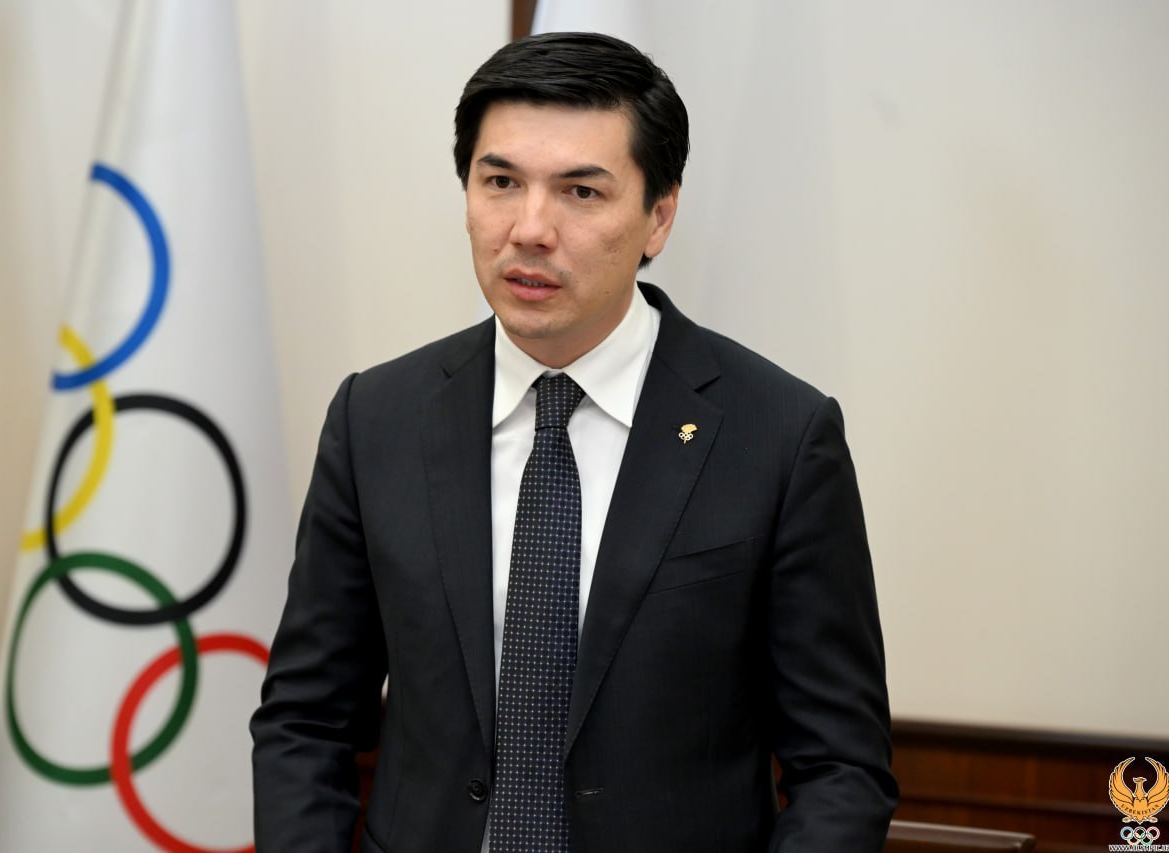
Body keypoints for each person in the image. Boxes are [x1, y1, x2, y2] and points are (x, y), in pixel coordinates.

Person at [251, 31, 897, 852]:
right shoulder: (376, 416)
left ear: (658, 216)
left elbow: (841, 767)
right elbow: (306, 720)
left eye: (581, 192)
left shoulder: (779, 436)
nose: (530, 229)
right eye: (500, 182)